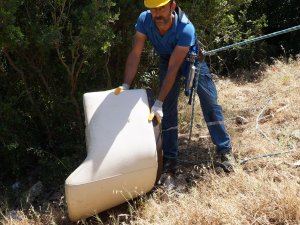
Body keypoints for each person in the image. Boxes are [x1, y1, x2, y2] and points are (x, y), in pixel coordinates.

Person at [115, 0, 234, 174]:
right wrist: (125, 84)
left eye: (161, 8)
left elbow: (174, 68)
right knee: (167, 109)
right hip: (166, 58)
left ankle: (225, 150)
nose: (157, 14)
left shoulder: (186, 28)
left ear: (172, 6)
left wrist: (158, 102)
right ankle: (170, 160)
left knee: (209, 100)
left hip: (191, 59)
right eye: (153, 9)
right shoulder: (144, 20)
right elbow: (135, 54)